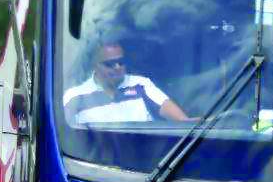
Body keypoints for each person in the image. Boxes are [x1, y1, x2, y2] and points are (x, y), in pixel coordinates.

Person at [63, 41, 191, 126]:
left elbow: (180, 120)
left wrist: (193, 124)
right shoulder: (74, 96)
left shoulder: (140, 85)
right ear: (95, 66)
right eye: (110, 64)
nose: (118, 67)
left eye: (121, 62)